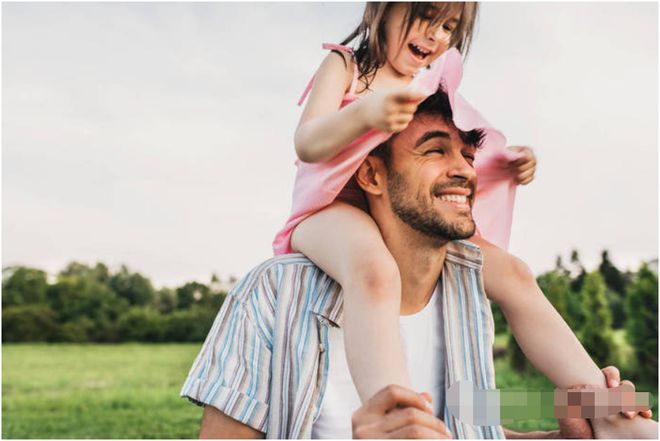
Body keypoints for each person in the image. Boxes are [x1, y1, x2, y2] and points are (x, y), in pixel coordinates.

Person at [181, 88, 656, 439]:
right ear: (371, 174)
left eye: (468, 156)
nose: (465, 171)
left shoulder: (469, 297)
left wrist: (560, 438)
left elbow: (472, 427)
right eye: (434, 151)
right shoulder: (274, 295)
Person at [271, 1, 649, 418]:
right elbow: (307, 142)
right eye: (425, 16)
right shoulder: (347, 66)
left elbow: (447, 161)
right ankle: (398, 415)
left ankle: (606, 406)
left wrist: (506, 162)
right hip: (331, 209)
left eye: (448, 26)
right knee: (374, 270)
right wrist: (366, 113)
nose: (435, 34)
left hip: (401, 219)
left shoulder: (428, 84)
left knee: (514, 272)